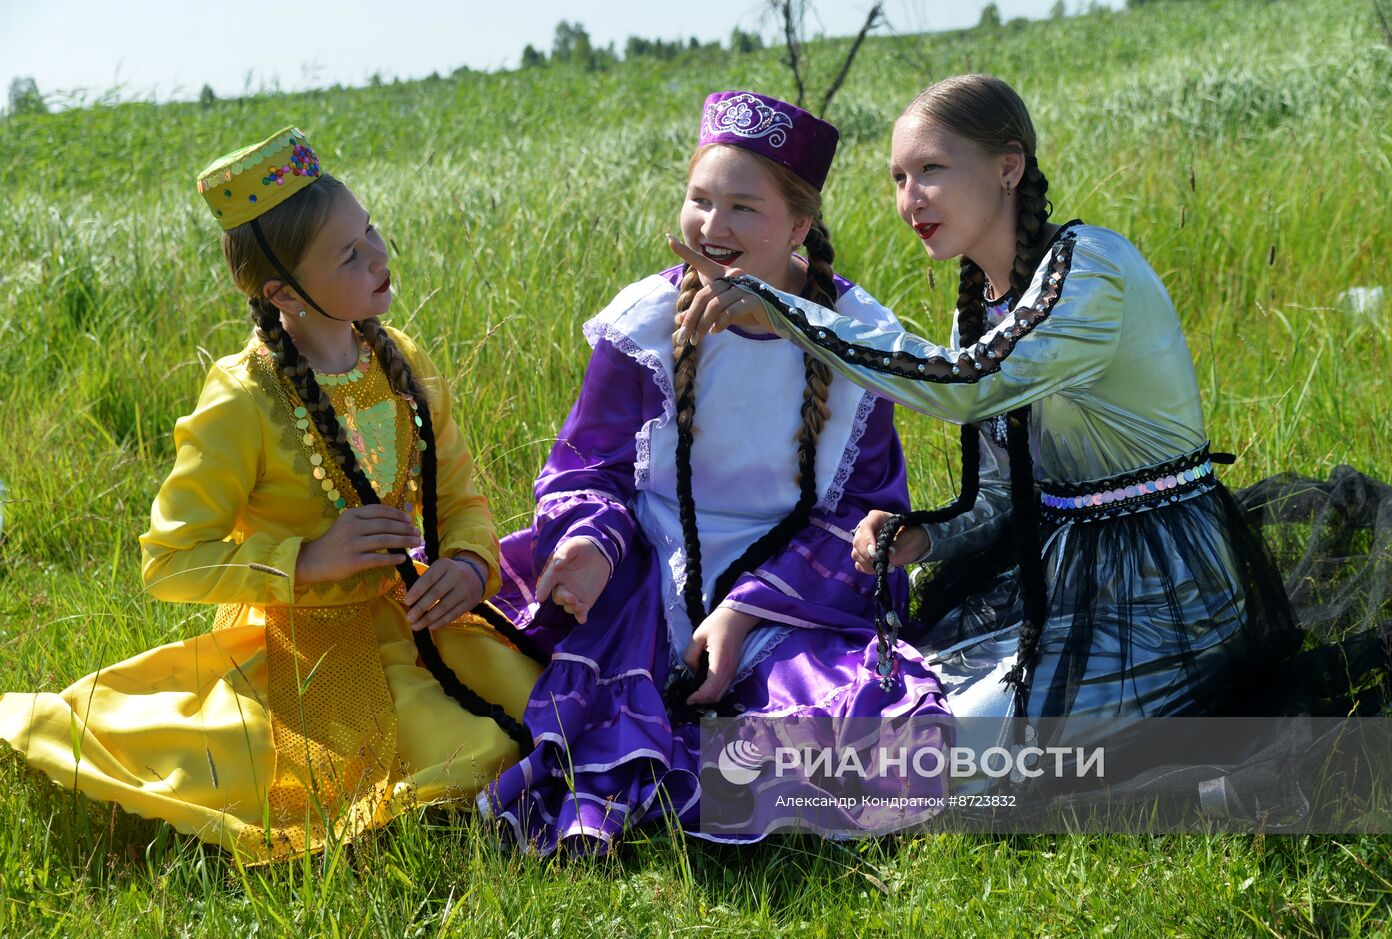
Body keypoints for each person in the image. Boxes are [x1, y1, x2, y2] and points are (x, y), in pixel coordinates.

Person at [671, 75, 1310, 745]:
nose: (910, 200)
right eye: (898, 179)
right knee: (891, 709)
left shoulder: (1092, 270)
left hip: (1167, 593)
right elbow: (1006, 494)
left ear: (1008, 168)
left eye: (931, 170)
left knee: (941, 750)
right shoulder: (980, 308)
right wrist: (925, 537)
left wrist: (791, 313)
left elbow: (970, 384)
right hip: (1058, 577)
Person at [0, 127, 542, 861]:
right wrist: (307, 559)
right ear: (283, 292)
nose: (379, 255)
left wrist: (470, 565)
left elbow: (461, 496)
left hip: (410, 616)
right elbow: (170, 559)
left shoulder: (401, 360)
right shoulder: (243, 398)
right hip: (300, 645)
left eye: (370, 229)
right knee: (463, 750)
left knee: (542, 704)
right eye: (349, 255)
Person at [479, 91, 951, 855]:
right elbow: (587, 465)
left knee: (881, 724)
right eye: (700, 200)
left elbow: (867, 517)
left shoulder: (856, 339)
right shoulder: (644, 323)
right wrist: (591, 543)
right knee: (498, 666)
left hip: (793, 584)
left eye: (743, 207)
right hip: (647, 564)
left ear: (798, 226)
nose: (713, 226)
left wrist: (742, 614)